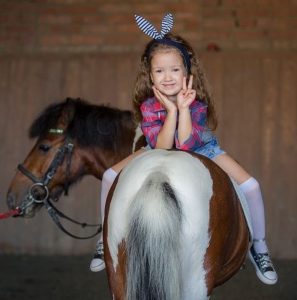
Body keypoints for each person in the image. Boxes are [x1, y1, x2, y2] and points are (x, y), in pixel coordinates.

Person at [90, 13, 278, 285]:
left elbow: (188, 145)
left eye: (175, 70)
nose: (168, 77)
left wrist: (183, 108)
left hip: (204, 150)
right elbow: (163, 146)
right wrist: (169, 109)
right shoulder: (149, 106)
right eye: (159, 71)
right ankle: (104, 237)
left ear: (187, 73)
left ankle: (259, 247)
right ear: (150, 76)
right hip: (156, 149)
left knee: (251, 186)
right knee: (109, 176)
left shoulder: (196, 104)